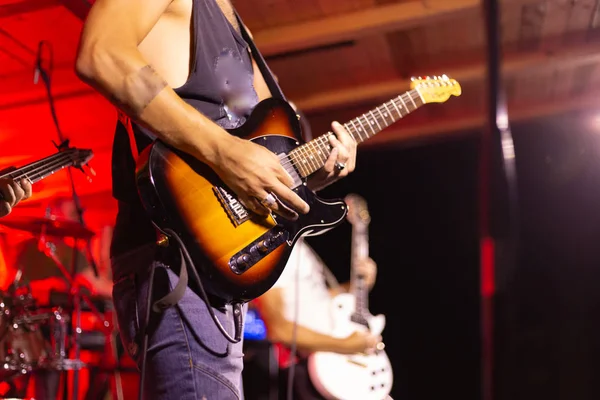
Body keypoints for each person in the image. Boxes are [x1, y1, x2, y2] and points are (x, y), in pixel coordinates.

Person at [74, 0, 359, 399]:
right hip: (175, 260)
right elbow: (100, 53)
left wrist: (302, 175)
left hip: (213, 269)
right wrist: (225, 152)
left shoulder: (231, 17)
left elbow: (248, 139)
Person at [254, 238, 381, 399]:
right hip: (308, 370)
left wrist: (357, 286)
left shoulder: (301, 246)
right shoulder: (275, 247)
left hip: (334, 364)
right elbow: (279, 329)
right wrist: (344, 345)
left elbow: (319, 301)